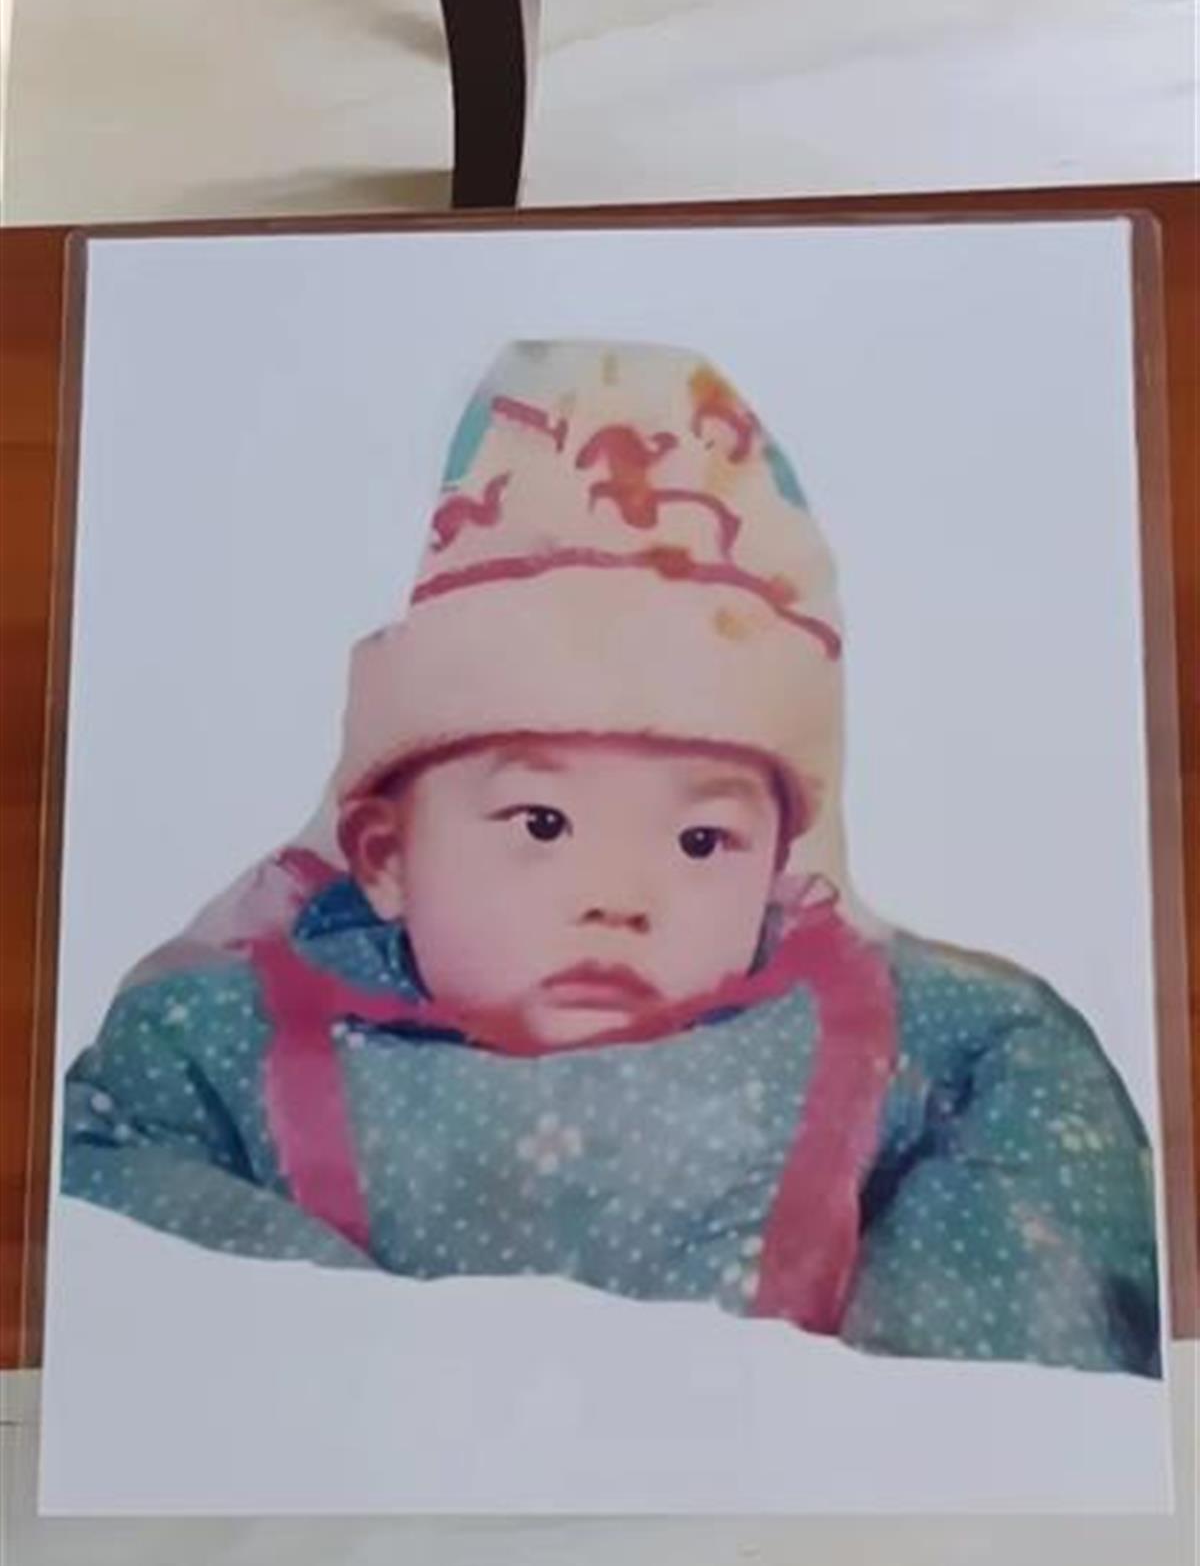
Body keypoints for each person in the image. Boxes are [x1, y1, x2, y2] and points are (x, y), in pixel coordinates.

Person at [61, 339, 1161, 1375]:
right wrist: (357, 1356)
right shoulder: (228, 1041)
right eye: (542, 824)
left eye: (702, 840)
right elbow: (92, 1172)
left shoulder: (896, 1033)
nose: (621, 899)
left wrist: (885, 1400)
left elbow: (1037, 1119)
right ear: (388, 860)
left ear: (774, 866)